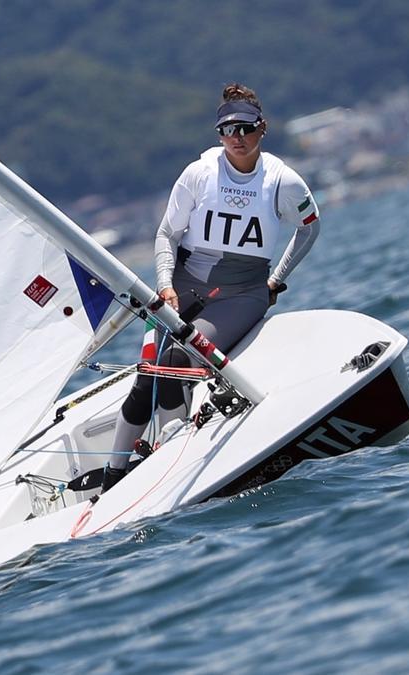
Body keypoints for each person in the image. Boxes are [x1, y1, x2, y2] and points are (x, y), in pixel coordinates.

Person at [102, 83, 322, 491]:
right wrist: (165, 286)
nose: (236, 138)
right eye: (227, 130)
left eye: (245, 129)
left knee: (176, 365)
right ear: (218, 134)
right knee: (146, 378)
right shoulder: (199, 173)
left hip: (242, 293)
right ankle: (112, 478)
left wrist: (277, 280)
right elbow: (167, 234)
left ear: (263, 129)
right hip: (182, 286)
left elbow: (310, 228)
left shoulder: (283, 181)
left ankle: (173, 457)